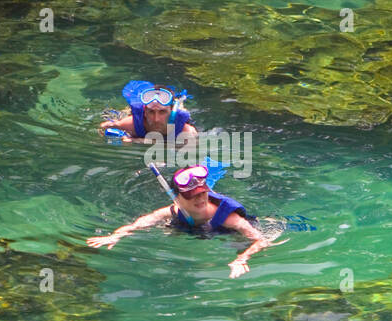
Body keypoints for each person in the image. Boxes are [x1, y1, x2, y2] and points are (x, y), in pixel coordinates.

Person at [86, 165, 271, 278]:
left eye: (203, 194)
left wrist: (242, 258)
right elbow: (139, 223)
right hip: (192, 228)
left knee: (237, 244)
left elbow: (262, 240)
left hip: (225, 233)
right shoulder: (172, 210)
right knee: (169, 229)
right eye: (192, 197)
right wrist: (115, 236)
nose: (200, 200)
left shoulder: (228, 217)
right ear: (177, 199)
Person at [99, 85, 198, 145]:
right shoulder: (131, 123)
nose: (156, 119)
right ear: (145, 112)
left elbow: (192, 145)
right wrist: (120, 138)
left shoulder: (186, 131)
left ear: (171, 112)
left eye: (162, 112)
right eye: (151, 112)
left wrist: (139, 141)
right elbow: (103, 126)